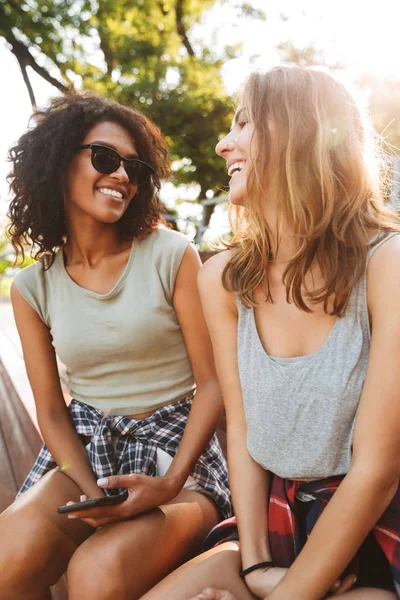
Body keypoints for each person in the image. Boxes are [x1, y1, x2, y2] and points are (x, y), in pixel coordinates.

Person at [139, 65, 400, 600]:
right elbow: (241, 429)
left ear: (299, 133)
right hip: (271, 521)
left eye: (243, 123)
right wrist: (257, 568)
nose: (222, 144)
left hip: (373, 525)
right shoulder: (223, 279)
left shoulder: (387, 265)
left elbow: (378, 471)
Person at [0, 92, 231, 600]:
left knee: (97, 573)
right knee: (7, 559)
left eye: (134, 167)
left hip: (177, 455)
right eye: (105, 159)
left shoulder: (171, 254)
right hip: (86, 449)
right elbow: (52, 412)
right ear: (60, 162)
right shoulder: (31, 287)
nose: (123, 176)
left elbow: (212, 384)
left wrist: (170, 484)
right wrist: (88, 490)